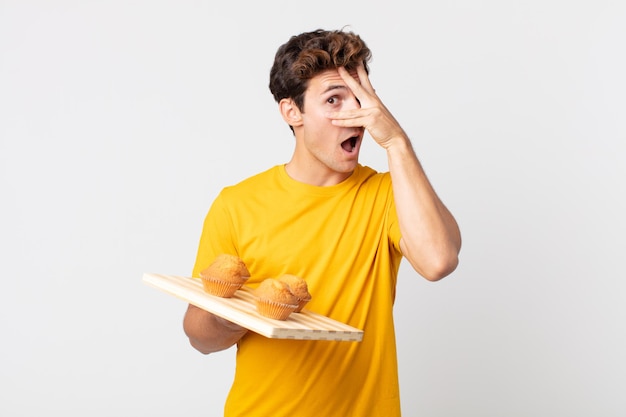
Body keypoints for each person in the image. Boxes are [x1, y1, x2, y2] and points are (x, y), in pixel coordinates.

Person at [183, 28, 461, 416]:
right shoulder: (236, 204)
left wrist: (397, 142)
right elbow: (200, 338)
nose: (357, 115)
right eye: (334, 99)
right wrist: (237, 313)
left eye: (362, 98)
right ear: (291, 112)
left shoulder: (386, 195)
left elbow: (439, 260)